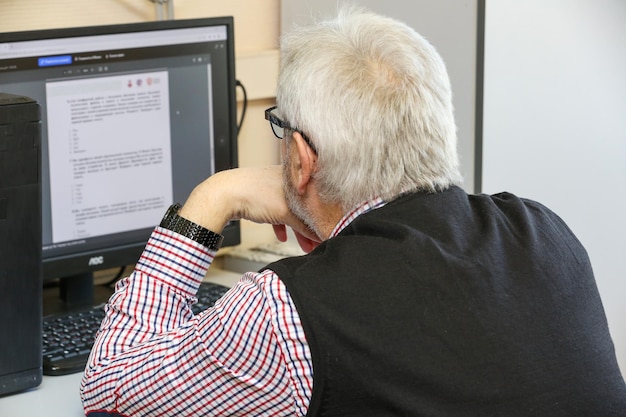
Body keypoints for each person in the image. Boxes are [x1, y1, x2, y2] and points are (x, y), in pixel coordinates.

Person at [80, 6, 626, 416]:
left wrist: (213, 197)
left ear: (300, 160)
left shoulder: (288, 311)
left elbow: (108, 387)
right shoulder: (546, 231)